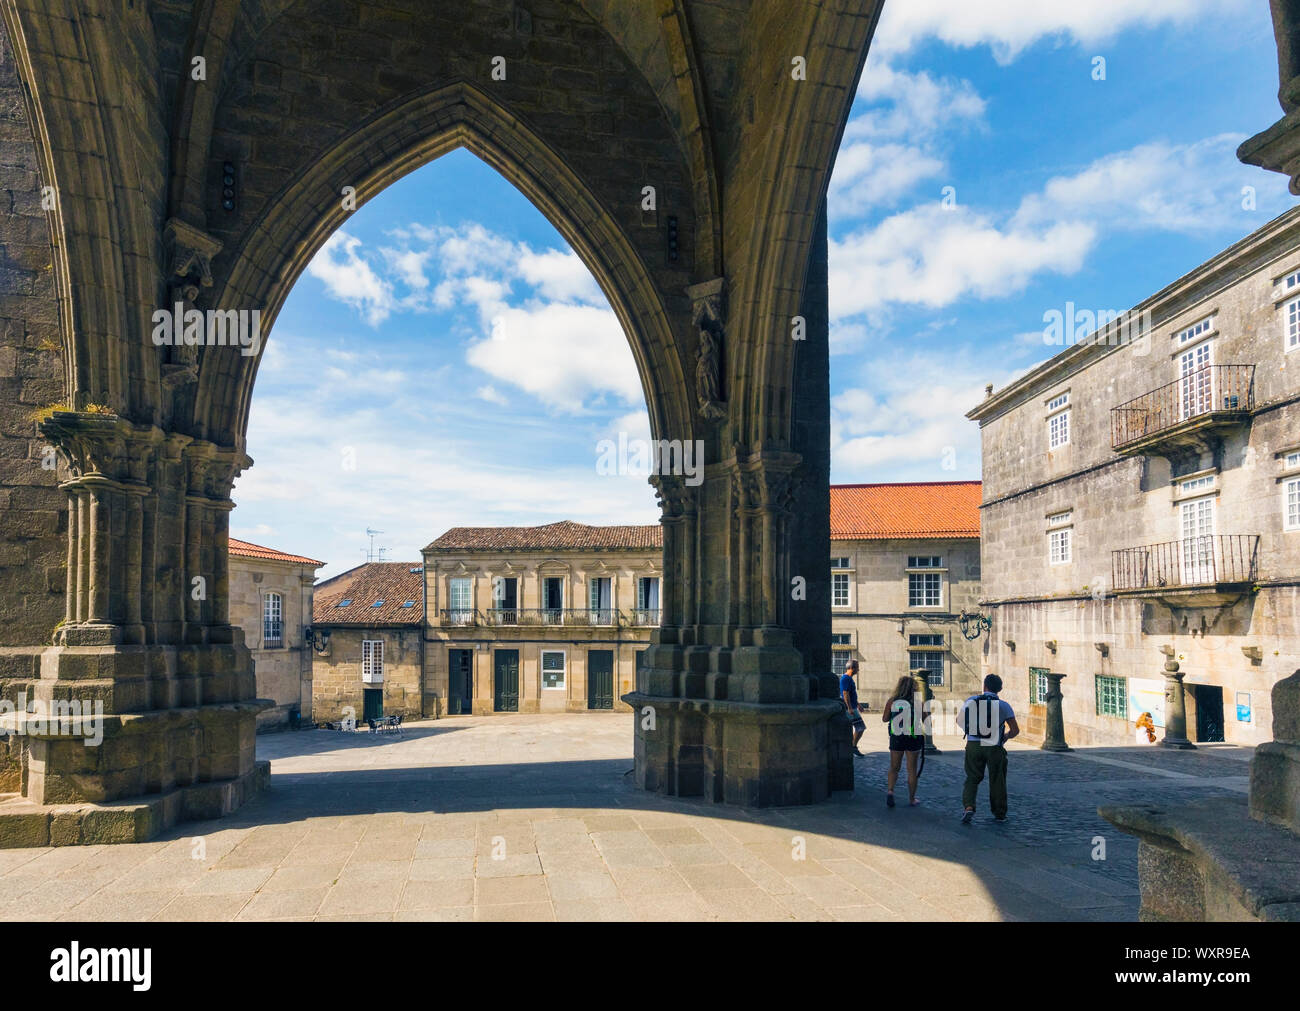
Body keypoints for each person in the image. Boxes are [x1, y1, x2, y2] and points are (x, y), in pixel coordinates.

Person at [958, 674, 1019, 824]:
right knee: (997, 779)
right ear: (1000, 689)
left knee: (972, 778)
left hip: (973, 744)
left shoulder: (971, 701)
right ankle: (999, 813)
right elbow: (1015, 730)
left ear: (984, 686)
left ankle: (969, 807)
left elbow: (959, 721)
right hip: (994, 746)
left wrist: (972, 729)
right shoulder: (1004, 705)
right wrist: (1005, 736)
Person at [881, 674, 924, 807]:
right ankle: (911, 799)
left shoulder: (892, 701)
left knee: (894, 767)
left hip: (897, 736)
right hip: (913, 737)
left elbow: (885, 719)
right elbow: (926, 720)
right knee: (912, 769)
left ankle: (890, 791)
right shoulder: (917, 702)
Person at [840, 659, 866, 757]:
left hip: (853, 707)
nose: (858, 670)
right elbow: (845, 694)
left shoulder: (848, 679)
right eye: (857, 667)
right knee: (860, 727)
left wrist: (858, 704)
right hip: (850, 709)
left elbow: (850, 694)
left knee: (857, 728)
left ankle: (851, 747)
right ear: (851, 668)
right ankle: (852, 747)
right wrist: (850, 708)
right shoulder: (846, 679)